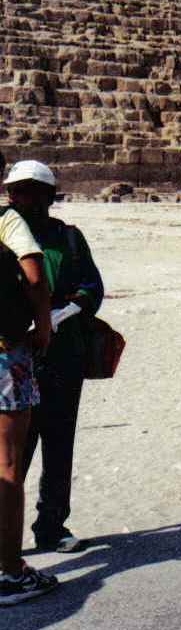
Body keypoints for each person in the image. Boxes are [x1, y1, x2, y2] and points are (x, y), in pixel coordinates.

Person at [4, 160, 104, 554]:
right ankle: (6, 535)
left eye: (31, 191)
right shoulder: (5, 236)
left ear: (49, 196)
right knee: (14, 450)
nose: (22, 199)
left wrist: (64, 313)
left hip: (63, 356)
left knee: (59, 444)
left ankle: (52, 525)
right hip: (16, 357)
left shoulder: (70, 239)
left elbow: (92, 287)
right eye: (17, 191)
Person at [0, 155, 58, 606]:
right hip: (7, 354)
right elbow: (35, 274)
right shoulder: (9, 223)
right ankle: (11, 571)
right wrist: (43, 322)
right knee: (7, 467)